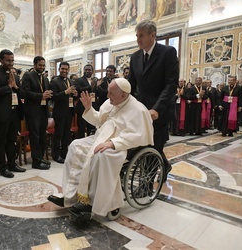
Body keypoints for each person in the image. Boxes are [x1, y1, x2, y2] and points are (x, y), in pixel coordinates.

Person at [48, 78, 154, 216]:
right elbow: (98, 120)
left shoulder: (138, 110)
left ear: (123, 95)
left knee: (101, 156)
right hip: (100, 137)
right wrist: (88, 108)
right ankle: (71, 195)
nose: (107, 96)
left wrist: (112, 143)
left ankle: (93, 202)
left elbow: (138, 136)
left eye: (111, 93)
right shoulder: (110, 102)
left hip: (122, 146)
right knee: (75, 146)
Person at [128, 19, 179, 181]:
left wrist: (157, 109)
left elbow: (171, 85)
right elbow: (131, 85)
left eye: (141, 36)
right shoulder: (135, 57)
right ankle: (164, 165)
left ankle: (146, 184)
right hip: (141, 111)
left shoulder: (167, 52)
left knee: (153, 146)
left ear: (153, 35)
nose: (138, 39)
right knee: (143, 144)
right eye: (137, 36)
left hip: (160, 110)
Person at [0, 49, 26, 177]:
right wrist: (8, 86)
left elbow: (21, 93)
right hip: (2, 112)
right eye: (8, 60)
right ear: (1, 60)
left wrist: (15, 86)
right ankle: (2, 167)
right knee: (1, 141)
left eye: (12, 60)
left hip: (15, 112)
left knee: (12, 140)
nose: (11, 63)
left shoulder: (14, 74)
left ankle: (12, 164)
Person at [22, 56, 52, 170]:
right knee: (35, 136)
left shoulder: (45, 78)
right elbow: (25, 92)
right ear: (34, 65)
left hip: (43, 110)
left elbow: (46, 91)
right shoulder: (28, 76)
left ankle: (41, 157)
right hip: (32, 110)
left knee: (42, 136)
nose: (42, 67)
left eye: (44, 65)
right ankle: (36, 161)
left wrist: (49, 94)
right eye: (40, 65)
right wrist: (41, 96)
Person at [49, 62, 78, 164]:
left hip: (69, 111)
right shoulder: (54, 81)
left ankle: (64, 153)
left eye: (66, 69)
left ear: (68, 70)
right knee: (58, 134)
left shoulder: (70, 80)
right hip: (59, 112)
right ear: (59, 69)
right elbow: (53, 97)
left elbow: (74, 96)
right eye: (63, 69)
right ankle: (56, 155)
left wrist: (75, 94)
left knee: (67, 134)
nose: (64, 71)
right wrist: (66, 92)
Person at [74, 64, 97, 138]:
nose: (87, 71)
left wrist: (97, 87)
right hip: (82, 108)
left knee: (91, 129)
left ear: (92, 71)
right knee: (81, 128)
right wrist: (90, 87)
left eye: (89, 70)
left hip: (92, 108)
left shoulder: (95, 80)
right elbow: (79, 90)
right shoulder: (79, 80)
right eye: (86, 70)